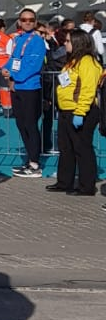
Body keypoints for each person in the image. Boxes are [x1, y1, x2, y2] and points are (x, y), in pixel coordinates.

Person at [45, 28, 101, 197]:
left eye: (68, 41)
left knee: (82, 148)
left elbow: (88, 89)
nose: (65, 43)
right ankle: (64, 182)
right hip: (66, 110)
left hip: (80, 110)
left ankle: (86, 186)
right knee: (66, 147)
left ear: (78, 43)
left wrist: (80, 112)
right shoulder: (73, 61)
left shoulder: (88, 62)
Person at [1, 8, 46, 178]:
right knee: (21, 124)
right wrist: (5, 69)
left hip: (30, 88)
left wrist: (14, 76)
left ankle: (35, 163)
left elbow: (33, 65)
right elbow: (13, 59)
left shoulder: (37, 41)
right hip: (17, 88)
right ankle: (29, 159)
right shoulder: (18, 39)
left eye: (31, 20)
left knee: (30, 125)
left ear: (35, 22)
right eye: (24, 19)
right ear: (19, 21)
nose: (28, 22)